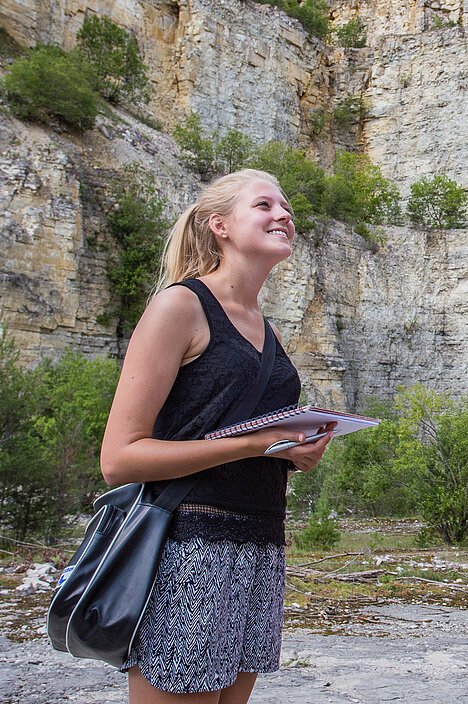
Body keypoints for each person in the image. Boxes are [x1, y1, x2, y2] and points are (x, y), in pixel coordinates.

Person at [99, 169, 333, 704]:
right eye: (265, 204)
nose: (284, 214)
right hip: (188, 546)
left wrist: (295, 453)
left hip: (260, 544)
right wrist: (256, 444)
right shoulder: (179, 306)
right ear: (220, 225)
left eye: (287, 206)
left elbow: (250, 434)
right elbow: (119, 457)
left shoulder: (267, 328)